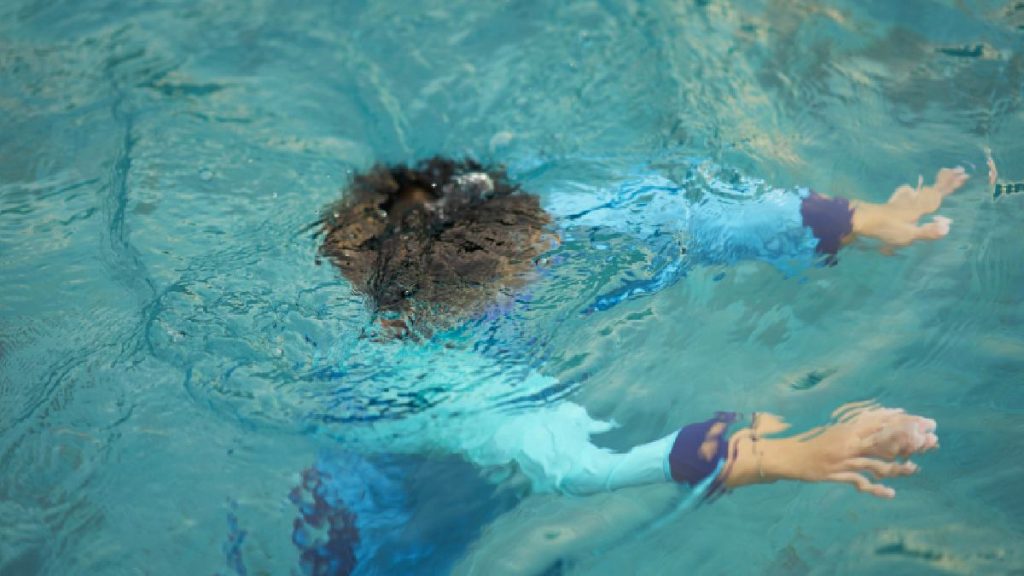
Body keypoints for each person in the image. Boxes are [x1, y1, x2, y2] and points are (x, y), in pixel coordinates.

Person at [300, 157, 950, 574]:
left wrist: (855, 219)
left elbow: (685, 217)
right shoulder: (439, 381)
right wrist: (787, 456)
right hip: (382, 529)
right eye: (526, 276)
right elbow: (585, 469)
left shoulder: (529, 226)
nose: (542, 268)